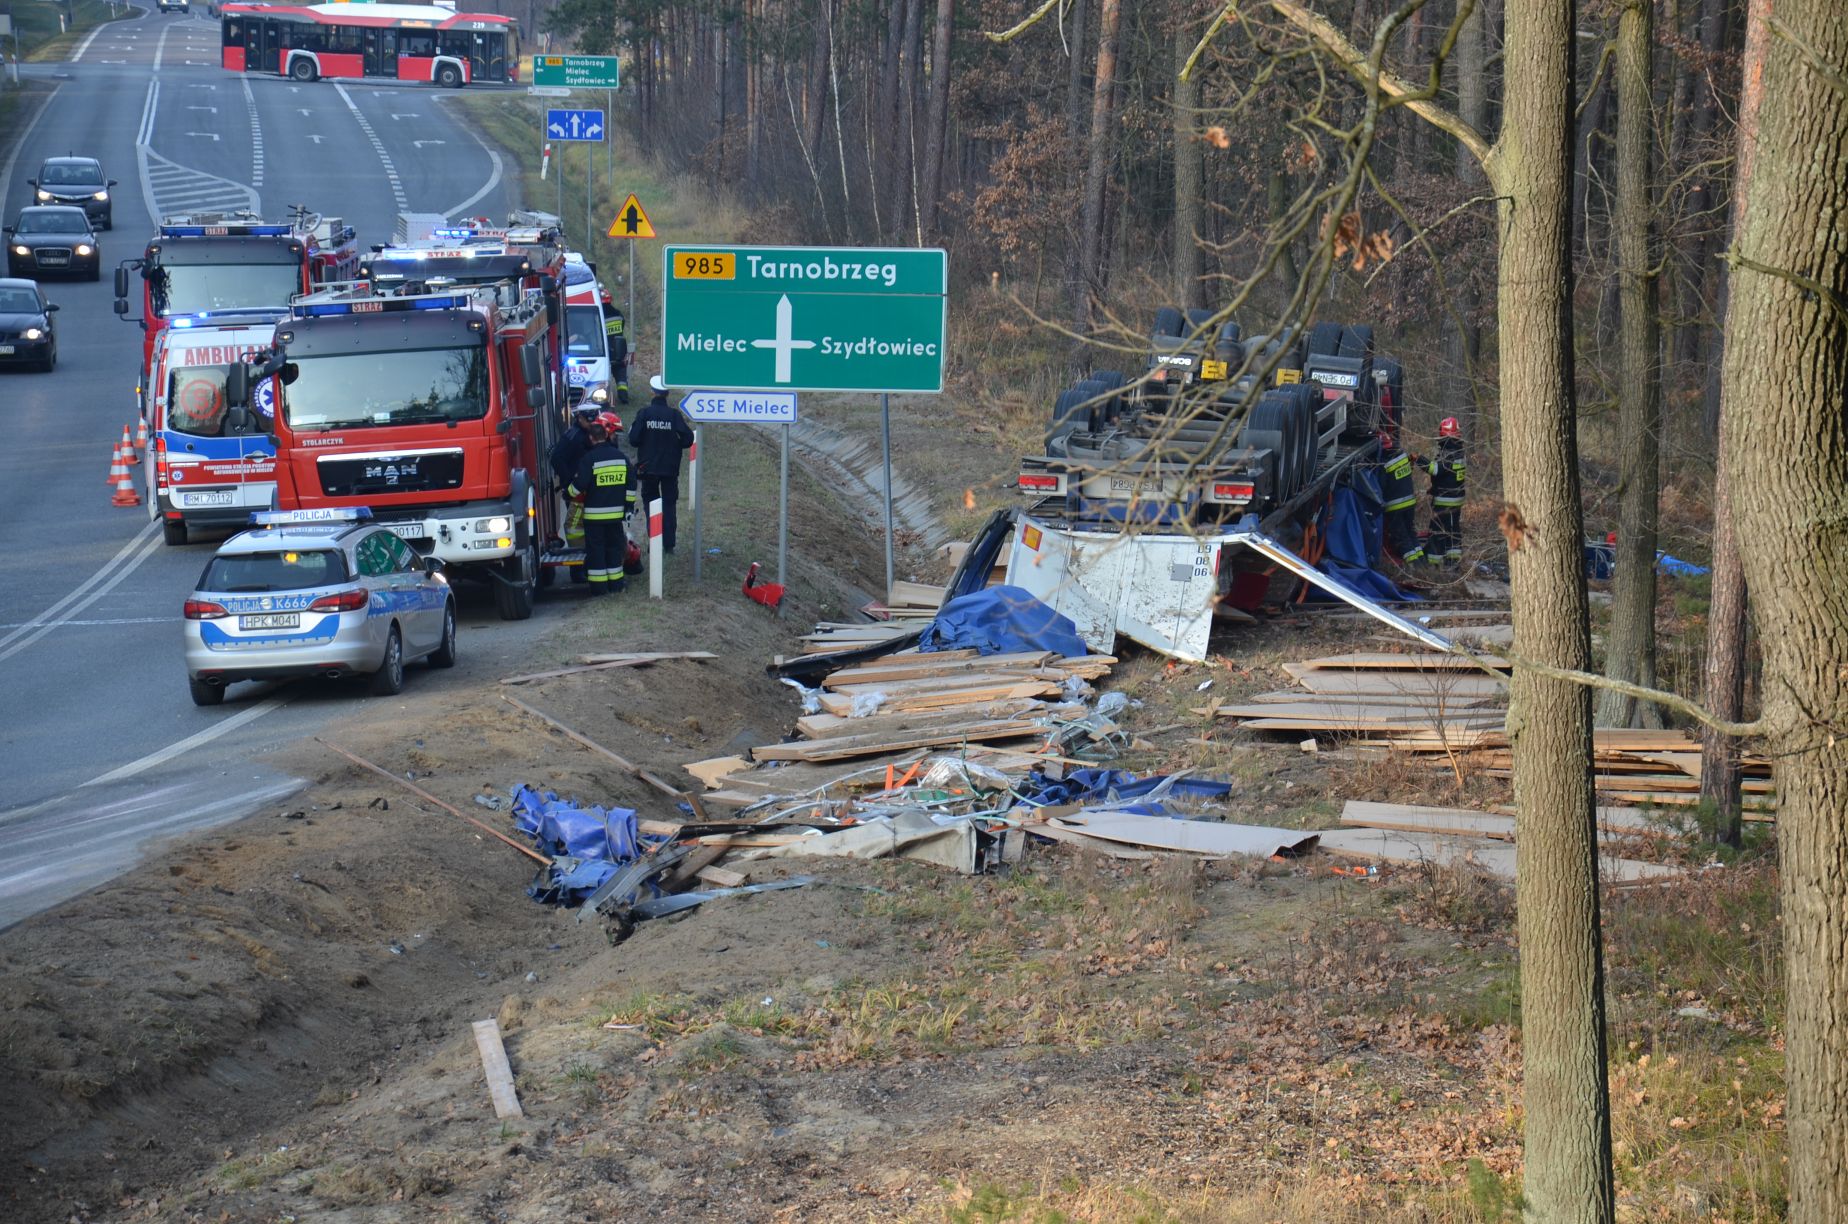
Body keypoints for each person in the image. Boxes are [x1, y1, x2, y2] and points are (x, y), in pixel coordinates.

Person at [628, 374, 694, 553]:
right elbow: (688, 439)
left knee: (651, 503)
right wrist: (674, 445)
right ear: (667, 393)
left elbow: (633, 439)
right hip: (669, 469)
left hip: (647, 468)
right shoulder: (674, 415)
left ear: (652, 392)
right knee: (669, 505)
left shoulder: (644, 414)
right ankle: (669, 545)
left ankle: (655, 542)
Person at [569, 412, 633, 594]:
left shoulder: (589, 459)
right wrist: (627, 506)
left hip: (594, 517)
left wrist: (568, 493)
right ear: (606, 435)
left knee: (596, 552)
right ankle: (616, 586)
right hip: (616, 516)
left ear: (591, 438)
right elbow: (631, 485)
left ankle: (599, 589)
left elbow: (580, 485)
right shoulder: (622, 458)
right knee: (614, 549)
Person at [549, 404, 602, 550]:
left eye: (594, 419)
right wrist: (569, 482)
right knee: (577, 527)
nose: (591, 423)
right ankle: (578, 565)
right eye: (588, 420)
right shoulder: (572, 437)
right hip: (577, 492)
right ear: (579, 418)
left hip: (593, 490)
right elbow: (556, 459)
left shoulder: (594, 434)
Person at [1417, 417, 1467, 567]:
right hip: (1453, 498)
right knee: (1452, 530)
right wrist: (1434, 488)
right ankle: (1450, 561)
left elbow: (1436, 469)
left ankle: (1438, 564)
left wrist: (1419, 459)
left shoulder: (1449, 453)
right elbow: (1449, 475)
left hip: (1446, 501)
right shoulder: (1458, 451)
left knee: (1439, 532)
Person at [1376, 433, 1424, 567]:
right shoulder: (1402, 455)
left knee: (1401, 536)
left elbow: (1380, 486)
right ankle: (1422, 562)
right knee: (1411, 532)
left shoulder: (1384, 463)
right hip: (1410, 502)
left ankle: (1414, 566)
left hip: (1395, 507)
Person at [601, 290, 630, 405]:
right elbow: (622, 325)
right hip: (619, 350)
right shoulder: (618, 314)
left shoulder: (598, 315)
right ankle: (623, 396)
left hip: (605, 351)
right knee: (621, 376)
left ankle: (603, 398)